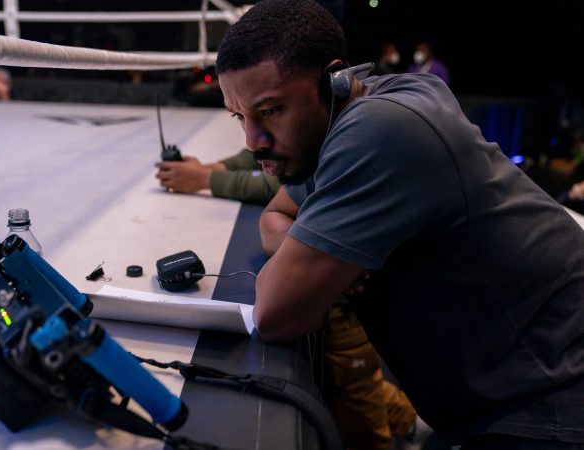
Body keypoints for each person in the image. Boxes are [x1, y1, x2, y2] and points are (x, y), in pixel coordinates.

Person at [215, 1, 584, 449]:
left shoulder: (380, 129)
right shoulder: (353, 108)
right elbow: (278, 212)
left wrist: (312, 263)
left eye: (270, 111)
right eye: (240, 117)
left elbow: (275, 314)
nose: (253, 142)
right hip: (504, 398)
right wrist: (311, 250)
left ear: (335, 80)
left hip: (552, 399)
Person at [156, 148, 424, 449]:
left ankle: (405, 429)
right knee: (349, 383)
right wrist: (212, 167)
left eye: (268, 110)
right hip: (339, 301)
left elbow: (277, 182)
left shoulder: (349, 141)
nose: (254, 136)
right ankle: (410, 421)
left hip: (348, 304)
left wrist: (208, 177)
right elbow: (262, 155)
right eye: (241, 117)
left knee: (357, 401)